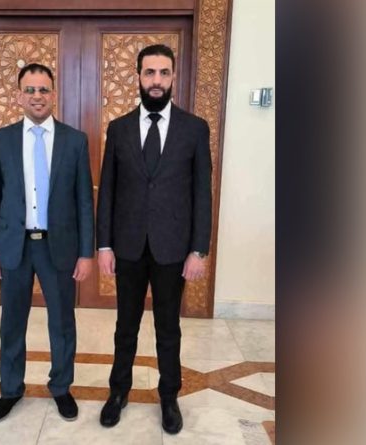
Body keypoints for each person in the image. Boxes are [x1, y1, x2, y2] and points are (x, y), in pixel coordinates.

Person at [96, 44, 212, 434]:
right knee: (125, 326)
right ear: (139, 76)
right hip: (128, 246)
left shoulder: (194, 129)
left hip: (173, 249)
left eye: (164, 72)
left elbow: (202, 194)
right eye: (150, 72)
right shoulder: (119, 129)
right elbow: (108, 190)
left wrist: (198, 250)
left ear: (174, 76)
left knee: (168, 328)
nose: (157, 80)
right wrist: (104, 245)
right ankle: (118, 392)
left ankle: (169, 396)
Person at [0, 63, 94, 423]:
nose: (37, 96)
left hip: (58, 247)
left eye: (43, 89)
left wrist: (86, 253)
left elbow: (84, 201)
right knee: (12, 323)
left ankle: (61, 387)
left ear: (53, 94)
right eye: (29, 90)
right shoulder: (2, 139)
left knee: (62, 322)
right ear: (19, 96)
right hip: (13, 247)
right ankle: (10, 389)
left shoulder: (75, 140)